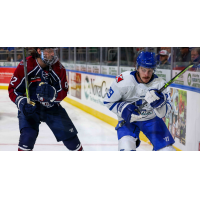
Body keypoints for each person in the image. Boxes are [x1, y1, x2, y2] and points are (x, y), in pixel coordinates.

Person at [8, 47, 83, 151]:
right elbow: (13, 89)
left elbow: (64, 90)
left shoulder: (58, 67)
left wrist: (54, 95)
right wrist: (23, 103)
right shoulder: (26, 65)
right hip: (31, 108)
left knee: (71, 139)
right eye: (49, 51)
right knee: (27, 137)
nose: (52, 54)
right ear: (39, 51)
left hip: (52, 108)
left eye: (54, 51)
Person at [103, 51, 175, 151]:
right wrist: (123, 109)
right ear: (137, 67)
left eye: (150, 70)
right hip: (128, 121)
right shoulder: (123, 80)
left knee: (168, 151)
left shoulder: (160, 84)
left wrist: (159, 104)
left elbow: (165, 112)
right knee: (126, 149)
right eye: (143, 69)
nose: (146, 74)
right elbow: (108, 101)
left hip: (152, 120)